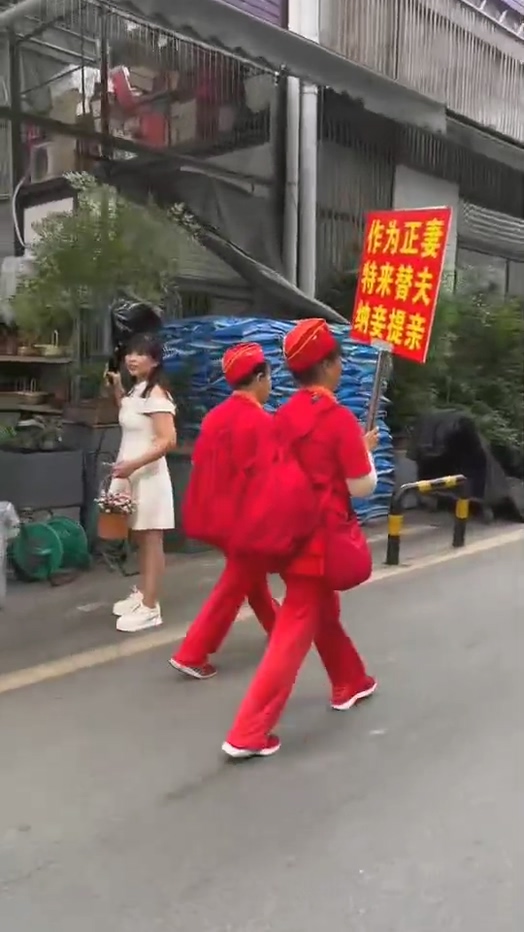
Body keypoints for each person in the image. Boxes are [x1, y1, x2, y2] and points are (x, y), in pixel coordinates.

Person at [222, 318, 379, 759]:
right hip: (322, 538)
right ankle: (248, 731)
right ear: (326, 366)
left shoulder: (282, 416)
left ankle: (351, 680)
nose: (341, 366)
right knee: (293, 630)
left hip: (288, 535)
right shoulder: (337, 418)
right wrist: (364, 451)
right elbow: (361, 485)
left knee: (322, 612)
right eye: (338, 360)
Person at [169, 342, 278, 680]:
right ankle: (192, 652)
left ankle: (279, 627)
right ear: (259, 378)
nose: (271, 384)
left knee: (250, 577)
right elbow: (268, 478)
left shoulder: (216, 416)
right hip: (243, 519)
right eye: (269, 377)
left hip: (210, 514)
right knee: (234, 584)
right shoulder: (260, 422)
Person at [106, 332, 177, 633]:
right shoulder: (138, 390)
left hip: (147, 476)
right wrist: (118, 389)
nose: (132, 359)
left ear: (155, 360)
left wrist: (134, 465)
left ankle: (150, 607)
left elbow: (168, 440)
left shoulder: (157, 394)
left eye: (140, 354)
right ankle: (144, 594)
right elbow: (131, 416)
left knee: (151, 539)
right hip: (131, 474)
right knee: (139, 536)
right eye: (129, 353)